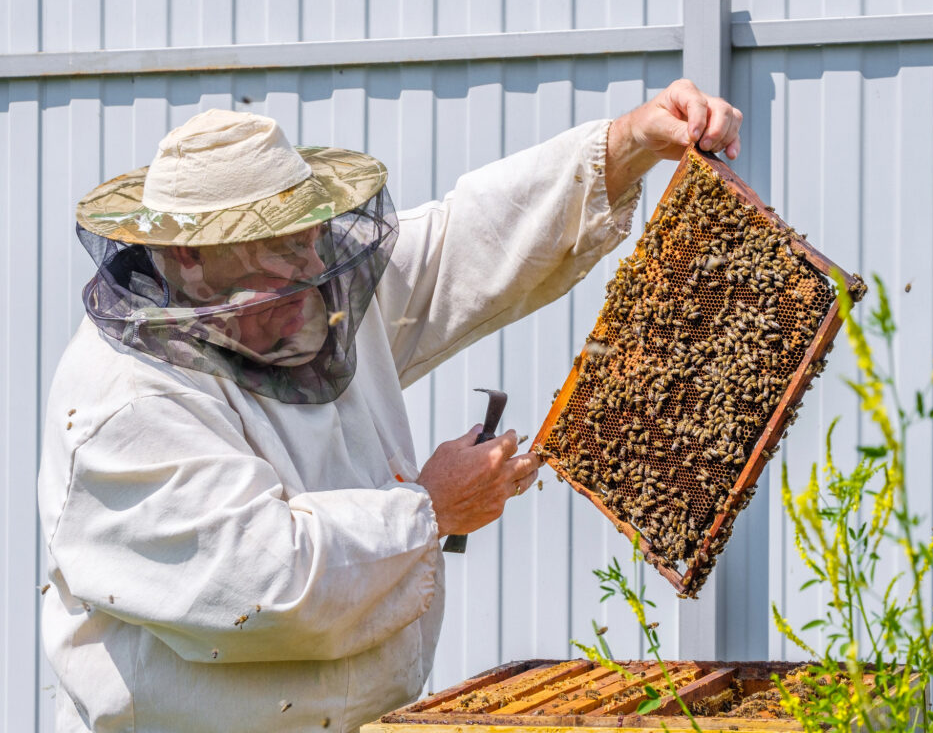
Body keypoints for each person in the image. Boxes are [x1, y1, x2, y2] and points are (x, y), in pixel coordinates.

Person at [38, 79, 742, 732]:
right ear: (187, 258)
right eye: (279, 246)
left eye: (311, 234)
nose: (313, 268)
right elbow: (263, 586)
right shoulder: (123, 404)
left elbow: (466, 241)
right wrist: (430, 509)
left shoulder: (312, 296)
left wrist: (628, 145)